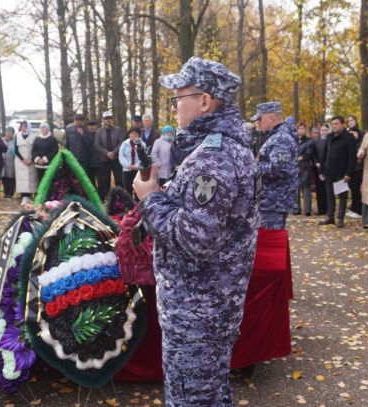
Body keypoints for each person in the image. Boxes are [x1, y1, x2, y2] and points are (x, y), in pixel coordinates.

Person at [132, 57, 259, 407]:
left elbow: (196, 238)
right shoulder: (219, 149)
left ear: (204, 101)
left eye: (178, 98)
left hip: (197, 314)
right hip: (208, 308)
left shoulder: (213, 157)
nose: (174, 107)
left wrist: (151, 199)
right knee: (211, 395)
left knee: (191, 400)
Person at [253, 101, 298, 229]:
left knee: (270, 243)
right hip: (272, 200)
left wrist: (253, 166)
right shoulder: (277, 136)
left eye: (260, 118)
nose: (258, 122)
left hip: (274, 201)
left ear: (271, 117)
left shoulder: (281, 138)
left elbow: (279, 169)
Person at [318, 116, 356, 227]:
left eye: (336, 123)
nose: (334, 126)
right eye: (333, 124)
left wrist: (348, 173)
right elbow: (324, 154)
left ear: (343, 124)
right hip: (329, 171)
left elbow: (351, 157)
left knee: (342, 196)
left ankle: (340, 218)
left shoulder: (349, 138)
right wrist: (321, 170)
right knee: (330, 195)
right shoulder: (329, 137)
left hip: (341, 173)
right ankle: (330, 217)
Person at [95, 111, 124, 200]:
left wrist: (113, 153)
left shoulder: (118, 130)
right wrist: (107, 153)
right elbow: (96, 145)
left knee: (119, 179)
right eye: (106, 118)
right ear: (103, 120)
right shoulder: (99, 131)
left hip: (116, 158)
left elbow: (121, 143)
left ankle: (121, 198)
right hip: (104, 159)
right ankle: (107, 199)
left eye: (110, 118)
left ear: (112, 119)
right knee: (104, 180)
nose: (108, 120)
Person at [65, 113, 98, 186]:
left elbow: (88, 145)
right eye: (77, 120)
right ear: (74, 120)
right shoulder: (69, 130)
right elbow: (66, 145)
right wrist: (67, 156)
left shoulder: (86, 131)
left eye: (80, 120)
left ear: (83, 121)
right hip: (73, 159)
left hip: (84, 160)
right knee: (74, 179)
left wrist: (82, 134)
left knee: (85, 179)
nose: (78, 122)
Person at [13, 121, 37, 205]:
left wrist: (31, 159)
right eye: (22, 126)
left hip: (30, 160)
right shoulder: (17, 136)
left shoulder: (33, 136)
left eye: (25, 126)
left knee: (31, 178)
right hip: (20, 161)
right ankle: (24, 196)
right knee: (21, 179)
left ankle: (30, 196)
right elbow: (15, 150)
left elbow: (35, 149)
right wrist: (23, 160)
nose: (23, 128)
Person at [347, 115, 365, 219]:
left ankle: (358, 209)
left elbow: (362, 148)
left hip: (359, 166)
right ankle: (354, 208)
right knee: (352, 187)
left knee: (356, 187)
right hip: (351, 166)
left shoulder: (362, 133)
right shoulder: (347, 133)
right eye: (348, 121)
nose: (350, 122)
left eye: (352, 120)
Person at [118, 127, 145, 194]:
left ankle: (138, 203)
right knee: (128, 190)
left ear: (139, 135)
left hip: (138, 170)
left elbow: (143, 157)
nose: (134, 136)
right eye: (132, 134)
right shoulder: (124, 143)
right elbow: (121, 155)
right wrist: (127, 165)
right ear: (129, 134)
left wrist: (136, 166)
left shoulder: (142, 144)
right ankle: (129, 204)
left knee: (138, 190)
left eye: (136, 134)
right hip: (127, 170)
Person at [296, 122, 314, 217]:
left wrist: (299, 158)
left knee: (306, 189)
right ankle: (296, 209)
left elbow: (308, 153)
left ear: (305, 129)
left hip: (305, 167)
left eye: (303, 128)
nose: (301, 130)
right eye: (299, 128)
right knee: (296, 188)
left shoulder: (309, 140)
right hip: (295, 167)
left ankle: (307, 210)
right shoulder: (294, 140)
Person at [312, 124, 328, 216]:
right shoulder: (316, 141)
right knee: (319, 190)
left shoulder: (331, 141)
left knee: (328, 190)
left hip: (328, 168)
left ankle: (328, 209)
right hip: (318, 168)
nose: (323, 132)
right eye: (322, 130)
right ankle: (321, 209)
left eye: (325, 130)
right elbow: (313, 154)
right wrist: (316, 162)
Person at [1, 126, 16, 199]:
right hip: (2, 161)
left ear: (13, 133)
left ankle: (10, 193)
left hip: (11, 161)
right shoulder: (2, 140)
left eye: (10, 132)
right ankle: (5, 192)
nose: (8, 133)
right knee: (4, 177)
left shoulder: (15, 140)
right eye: (7, 132)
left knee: (11, 178)